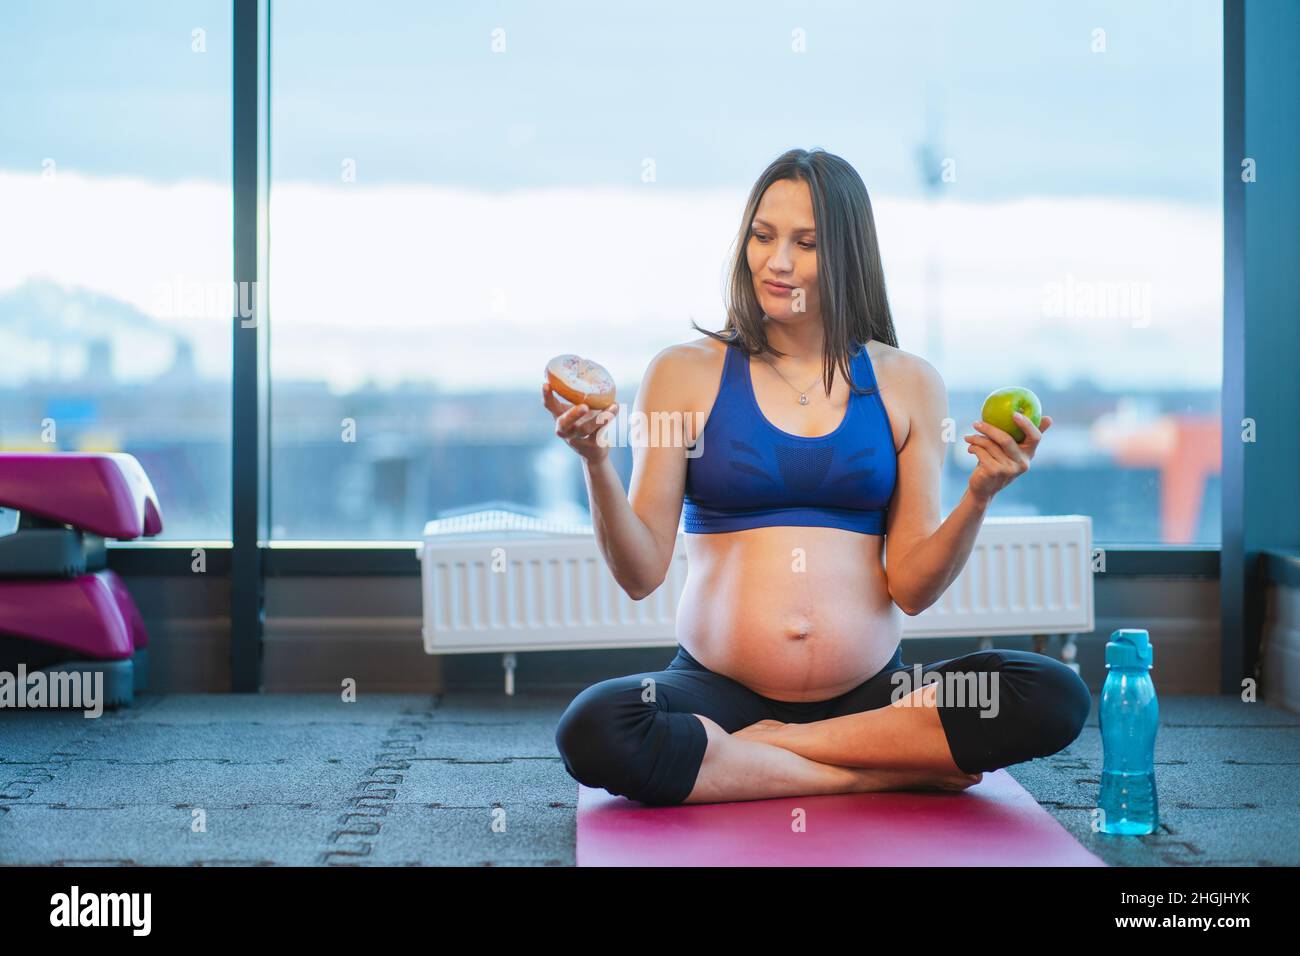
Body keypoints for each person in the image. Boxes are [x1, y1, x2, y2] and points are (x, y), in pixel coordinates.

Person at [542, 147, 1090, 807]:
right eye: (762, 236)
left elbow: (911, 590)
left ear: (848, 254)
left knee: (1052, 695)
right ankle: (882, 767)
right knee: (598, 728)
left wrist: (980, 494)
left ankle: (759, 757)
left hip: (874, 697)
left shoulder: (909, 382)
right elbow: (640, 574)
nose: (777, 262)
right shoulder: (682, 372)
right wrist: (596, 462)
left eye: (805, 243)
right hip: (719, 693)